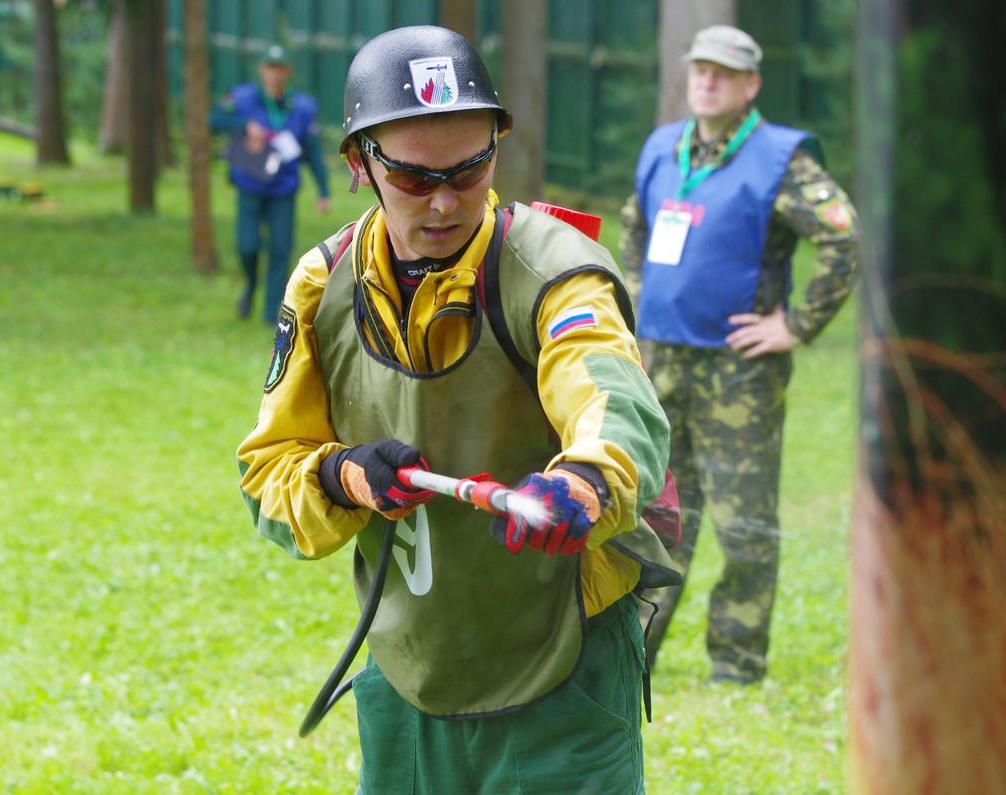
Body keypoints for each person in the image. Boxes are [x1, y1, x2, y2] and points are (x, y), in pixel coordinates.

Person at [236, 25, 679, 794]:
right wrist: (342, 477)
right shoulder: (322, 286)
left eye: (471, 170)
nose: (445, 202)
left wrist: (583, 483)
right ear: (358, 165)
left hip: (566, 676)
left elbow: (611, 396)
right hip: (409, 677)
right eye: (412, 178)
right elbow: (267, 479)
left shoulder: (556, 271)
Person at [620, 24, 859, 685]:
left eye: (724, 72)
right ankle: (635, 648)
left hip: (738, 374)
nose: (708, 80)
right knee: (659, 515)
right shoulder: (662, 149)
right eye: (700, 68)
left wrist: (797, 324)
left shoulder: (781, 160)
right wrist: (632, 312)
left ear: (751, 85)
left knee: (744, 522)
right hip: (658, 363)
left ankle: (737, 660)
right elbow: (634, 231)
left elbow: (844, 237)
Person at [210, 43, 331, 324]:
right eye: (270, 68)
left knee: (280, 248)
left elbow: (312, 151)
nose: (275, 74)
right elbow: (214, 119)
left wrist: (323, 191)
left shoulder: (302, 107)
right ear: (262, 69)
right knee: (248, 245)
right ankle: (251, 285)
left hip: (283, 189)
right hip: (250, 184)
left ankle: (269, 313)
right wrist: (244, 125)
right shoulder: (244, 98)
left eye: (280, 68)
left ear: (287, 71)